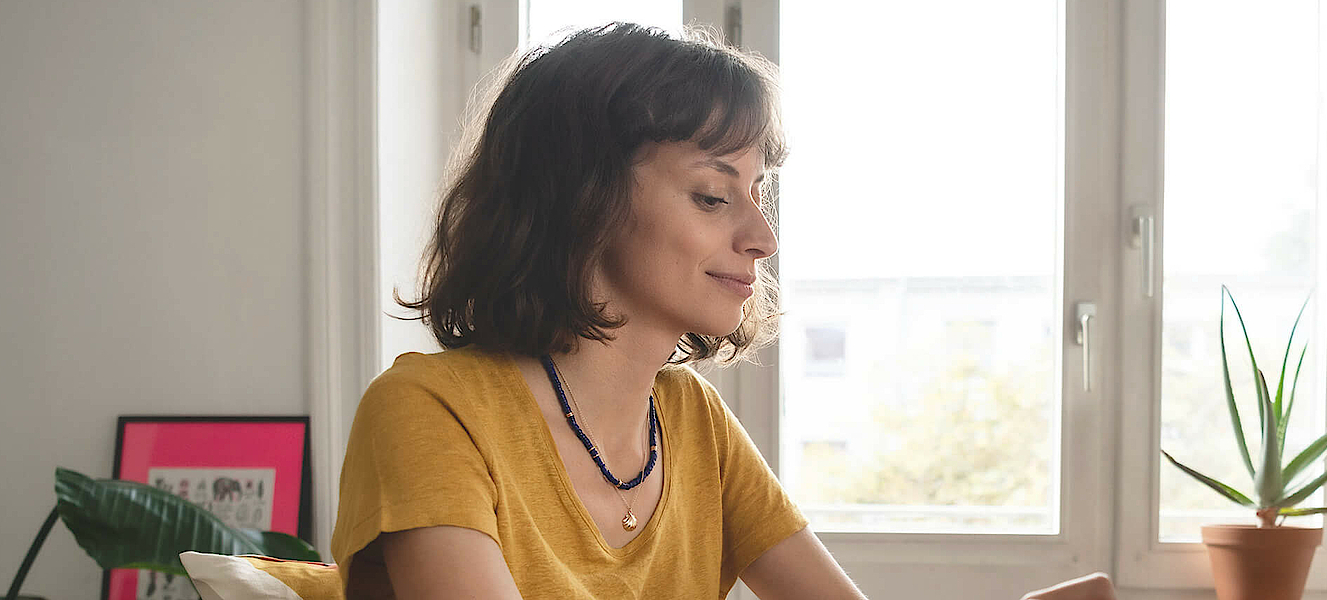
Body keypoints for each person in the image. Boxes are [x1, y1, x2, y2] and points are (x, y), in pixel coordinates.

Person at [330, 22, 1118, 600]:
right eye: (714, 195)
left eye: (757, 194)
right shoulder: (429, 411)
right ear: (581, 199)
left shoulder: (692, 422)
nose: (763, 238)